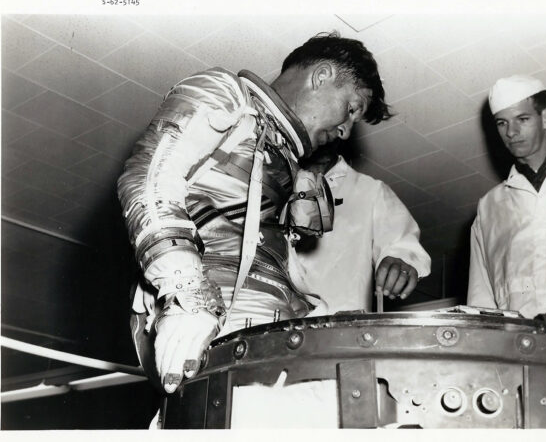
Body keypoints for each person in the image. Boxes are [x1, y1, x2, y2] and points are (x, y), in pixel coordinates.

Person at [117, 33, 398, 397]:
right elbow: (149, 177)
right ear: (322, 75)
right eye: (351, 108)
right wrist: (186, 295)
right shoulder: (228, 95)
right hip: (211, 324)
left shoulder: (287, 162)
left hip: (275, 336)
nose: (345, 130)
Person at [290, 145, 431, 313]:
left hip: (339, 329)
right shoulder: (273, 183)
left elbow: (400, 244)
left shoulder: (370, 190)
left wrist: (400, 261)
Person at [467, 75, 546, 319]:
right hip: (520, 350)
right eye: (502, 123)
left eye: (522, 119)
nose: (512, 132)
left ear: (545, 117)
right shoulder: (489, 208)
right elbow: (481, 303)